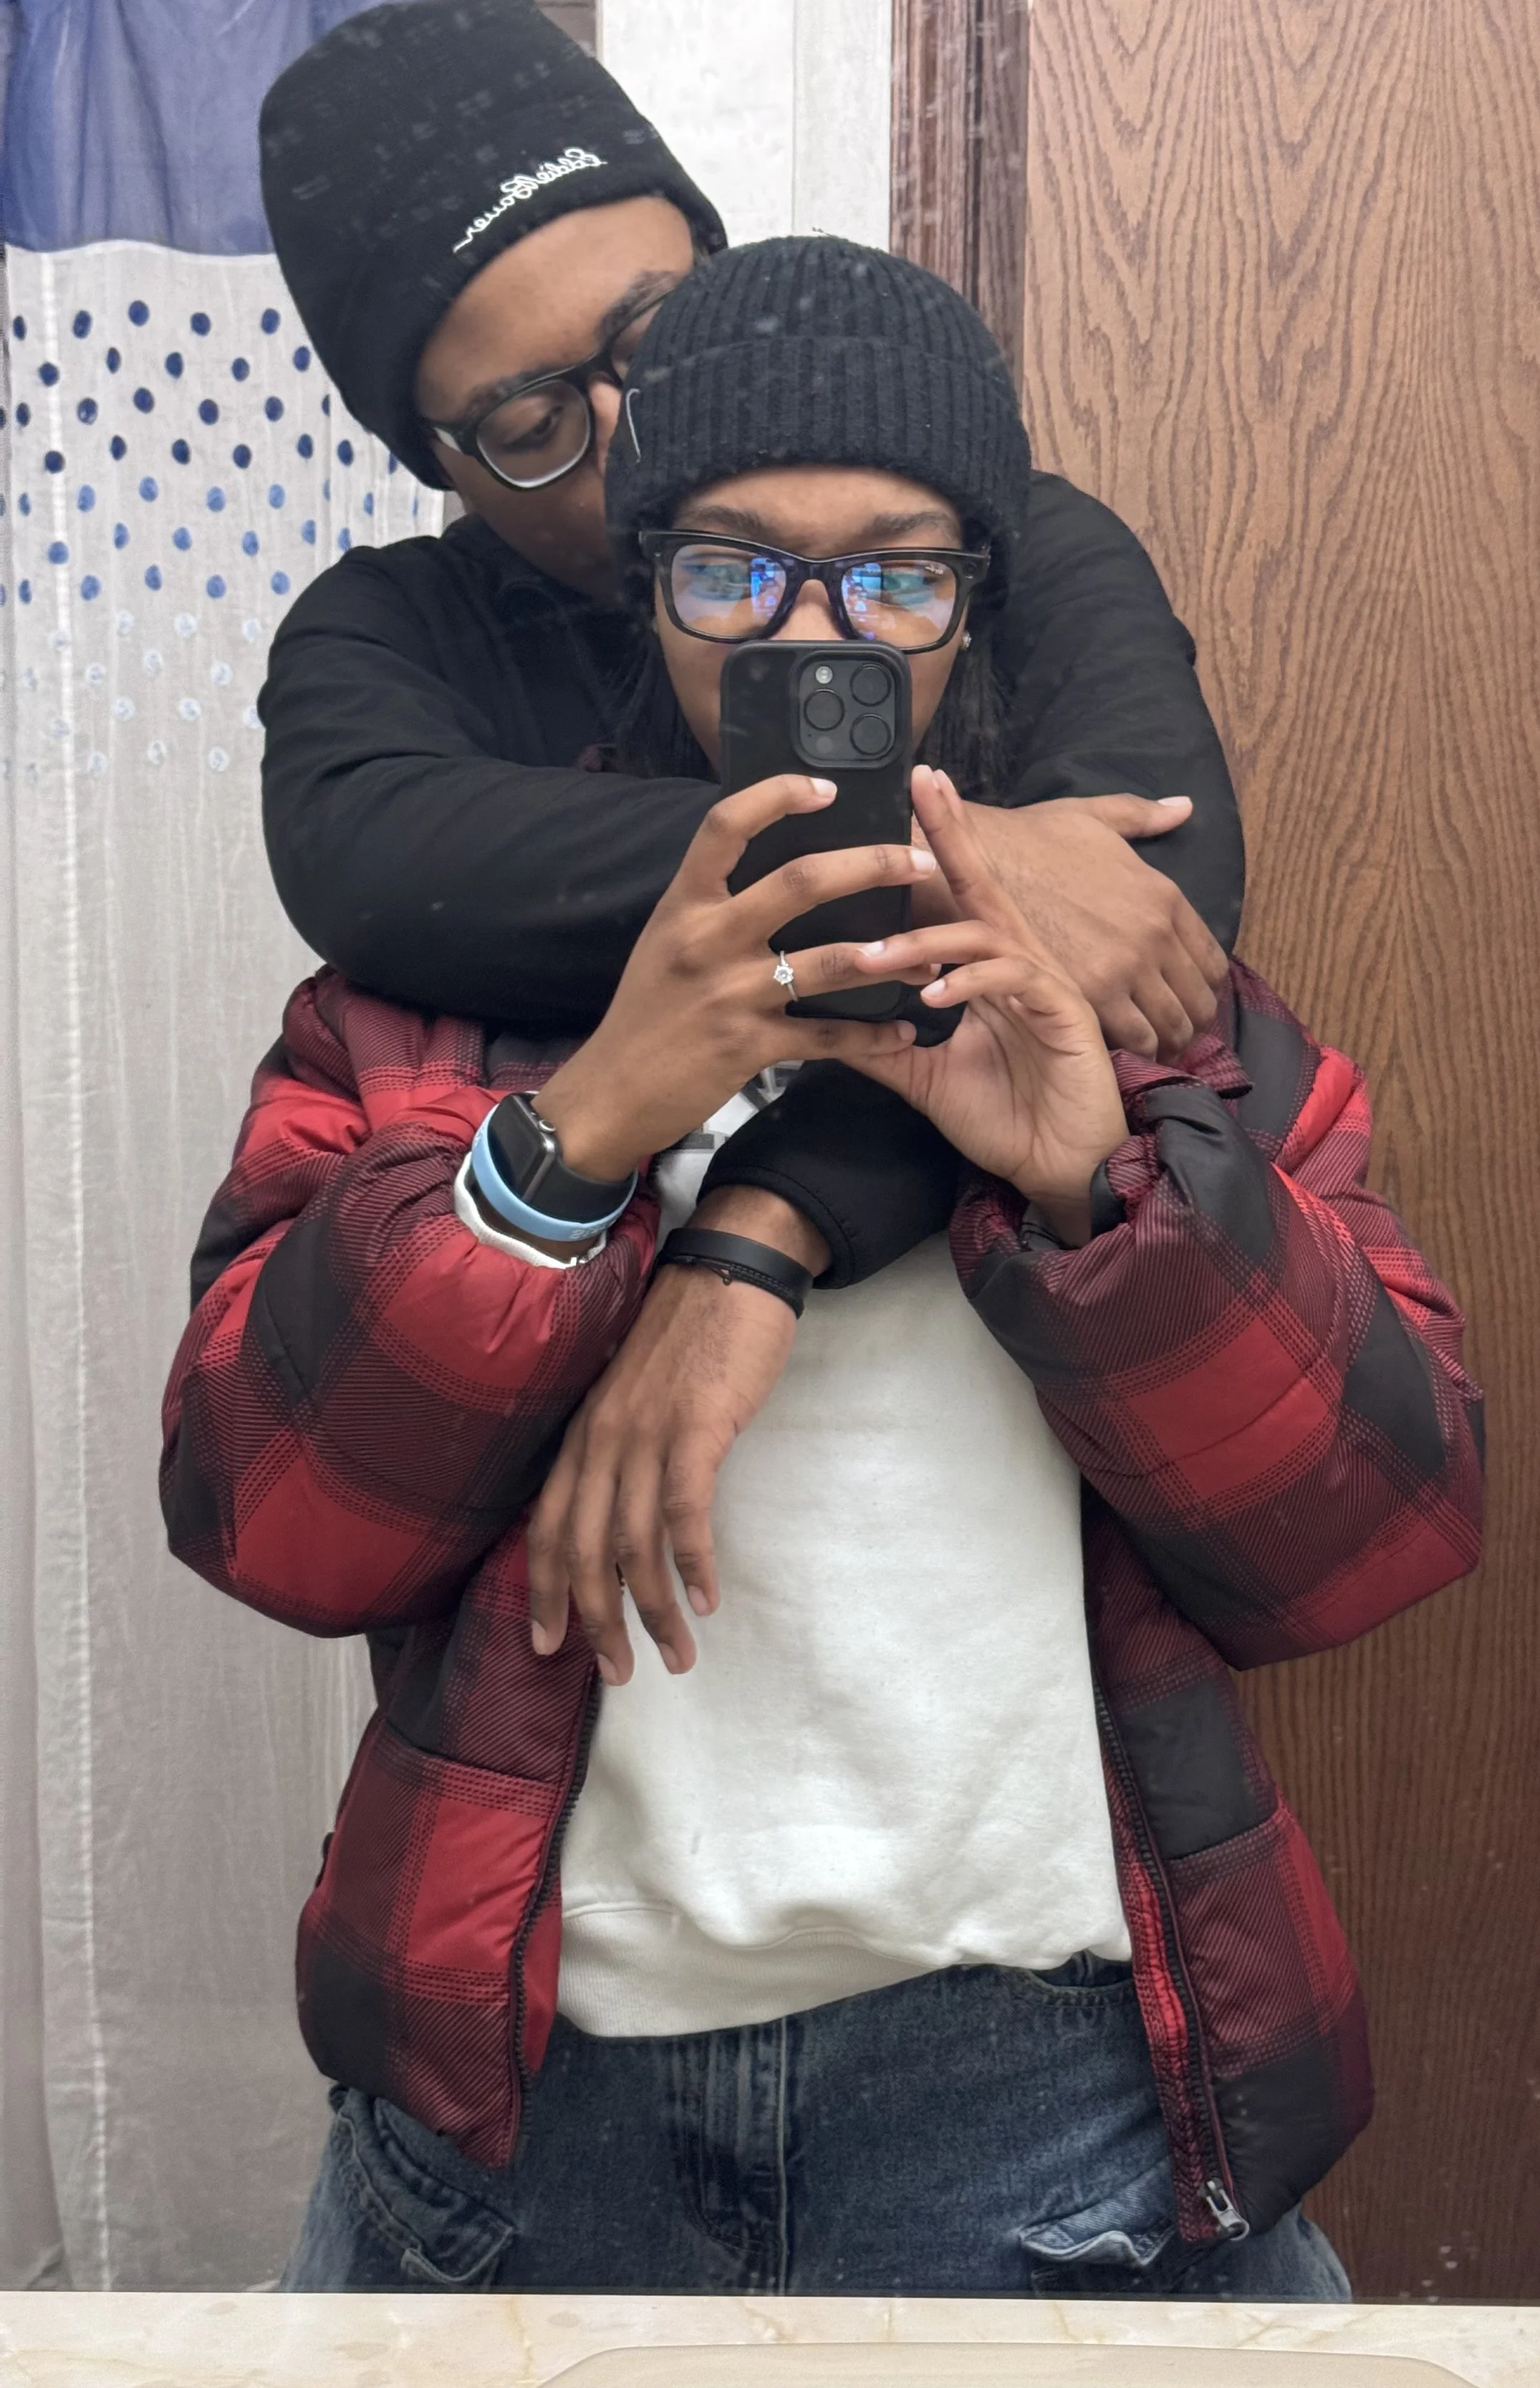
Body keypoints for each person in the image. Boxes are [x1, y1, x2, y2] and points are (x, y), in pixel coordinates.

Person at [163, 236, 1485, 2298]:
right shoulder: (424, 1020)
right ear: (642, 584)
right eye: (730, 568)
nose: (810, 634)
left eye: (891, 576)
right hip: (521, 2129)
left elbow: (1378, 1529)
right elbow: (269, 1519)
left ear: (969, 603)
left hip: (1060, 2122)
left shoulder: (1135, 1001)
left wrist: (1097, 1198)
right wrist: (582, 1127)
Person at [251, 0, 1244, 1539]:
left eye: (651, 340)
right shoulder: (403, 632)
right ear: (432, 457)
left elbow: (1150, 919)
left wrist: (769, 1225)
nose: (628, 425)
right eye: (525, 419)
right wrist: (960, 853)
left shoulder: (994, 543)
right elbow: (368, 857)